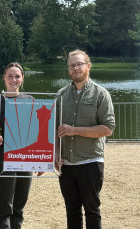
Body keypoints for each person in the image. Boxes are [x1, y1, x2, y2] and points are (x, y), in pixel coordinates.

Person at [56, 50, 115, 229]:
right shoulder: (60, 95)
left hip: (91, 162)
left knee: (92, 210)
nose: (76, 68)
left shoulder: (100, 94)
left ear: (88, 66)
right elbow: (53, 130)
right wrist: (55, 154)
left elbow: (107, 129)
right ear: (68, 69)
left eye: (79, 64)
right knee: (72, 211)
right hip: (66, 164)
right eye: (72, 65)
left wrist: (74, 130)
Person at [0, 62, 34, 229]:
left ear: (22, 79)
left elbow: (36, 132)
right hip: (3, 160)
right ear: (4, 78)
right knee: (4, 208)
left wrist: (42, 160)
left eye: (17, 76)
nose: (14, 79)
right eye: (10, 76)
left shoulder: (30, 101)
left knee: (19, 207)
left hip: (25, 159)